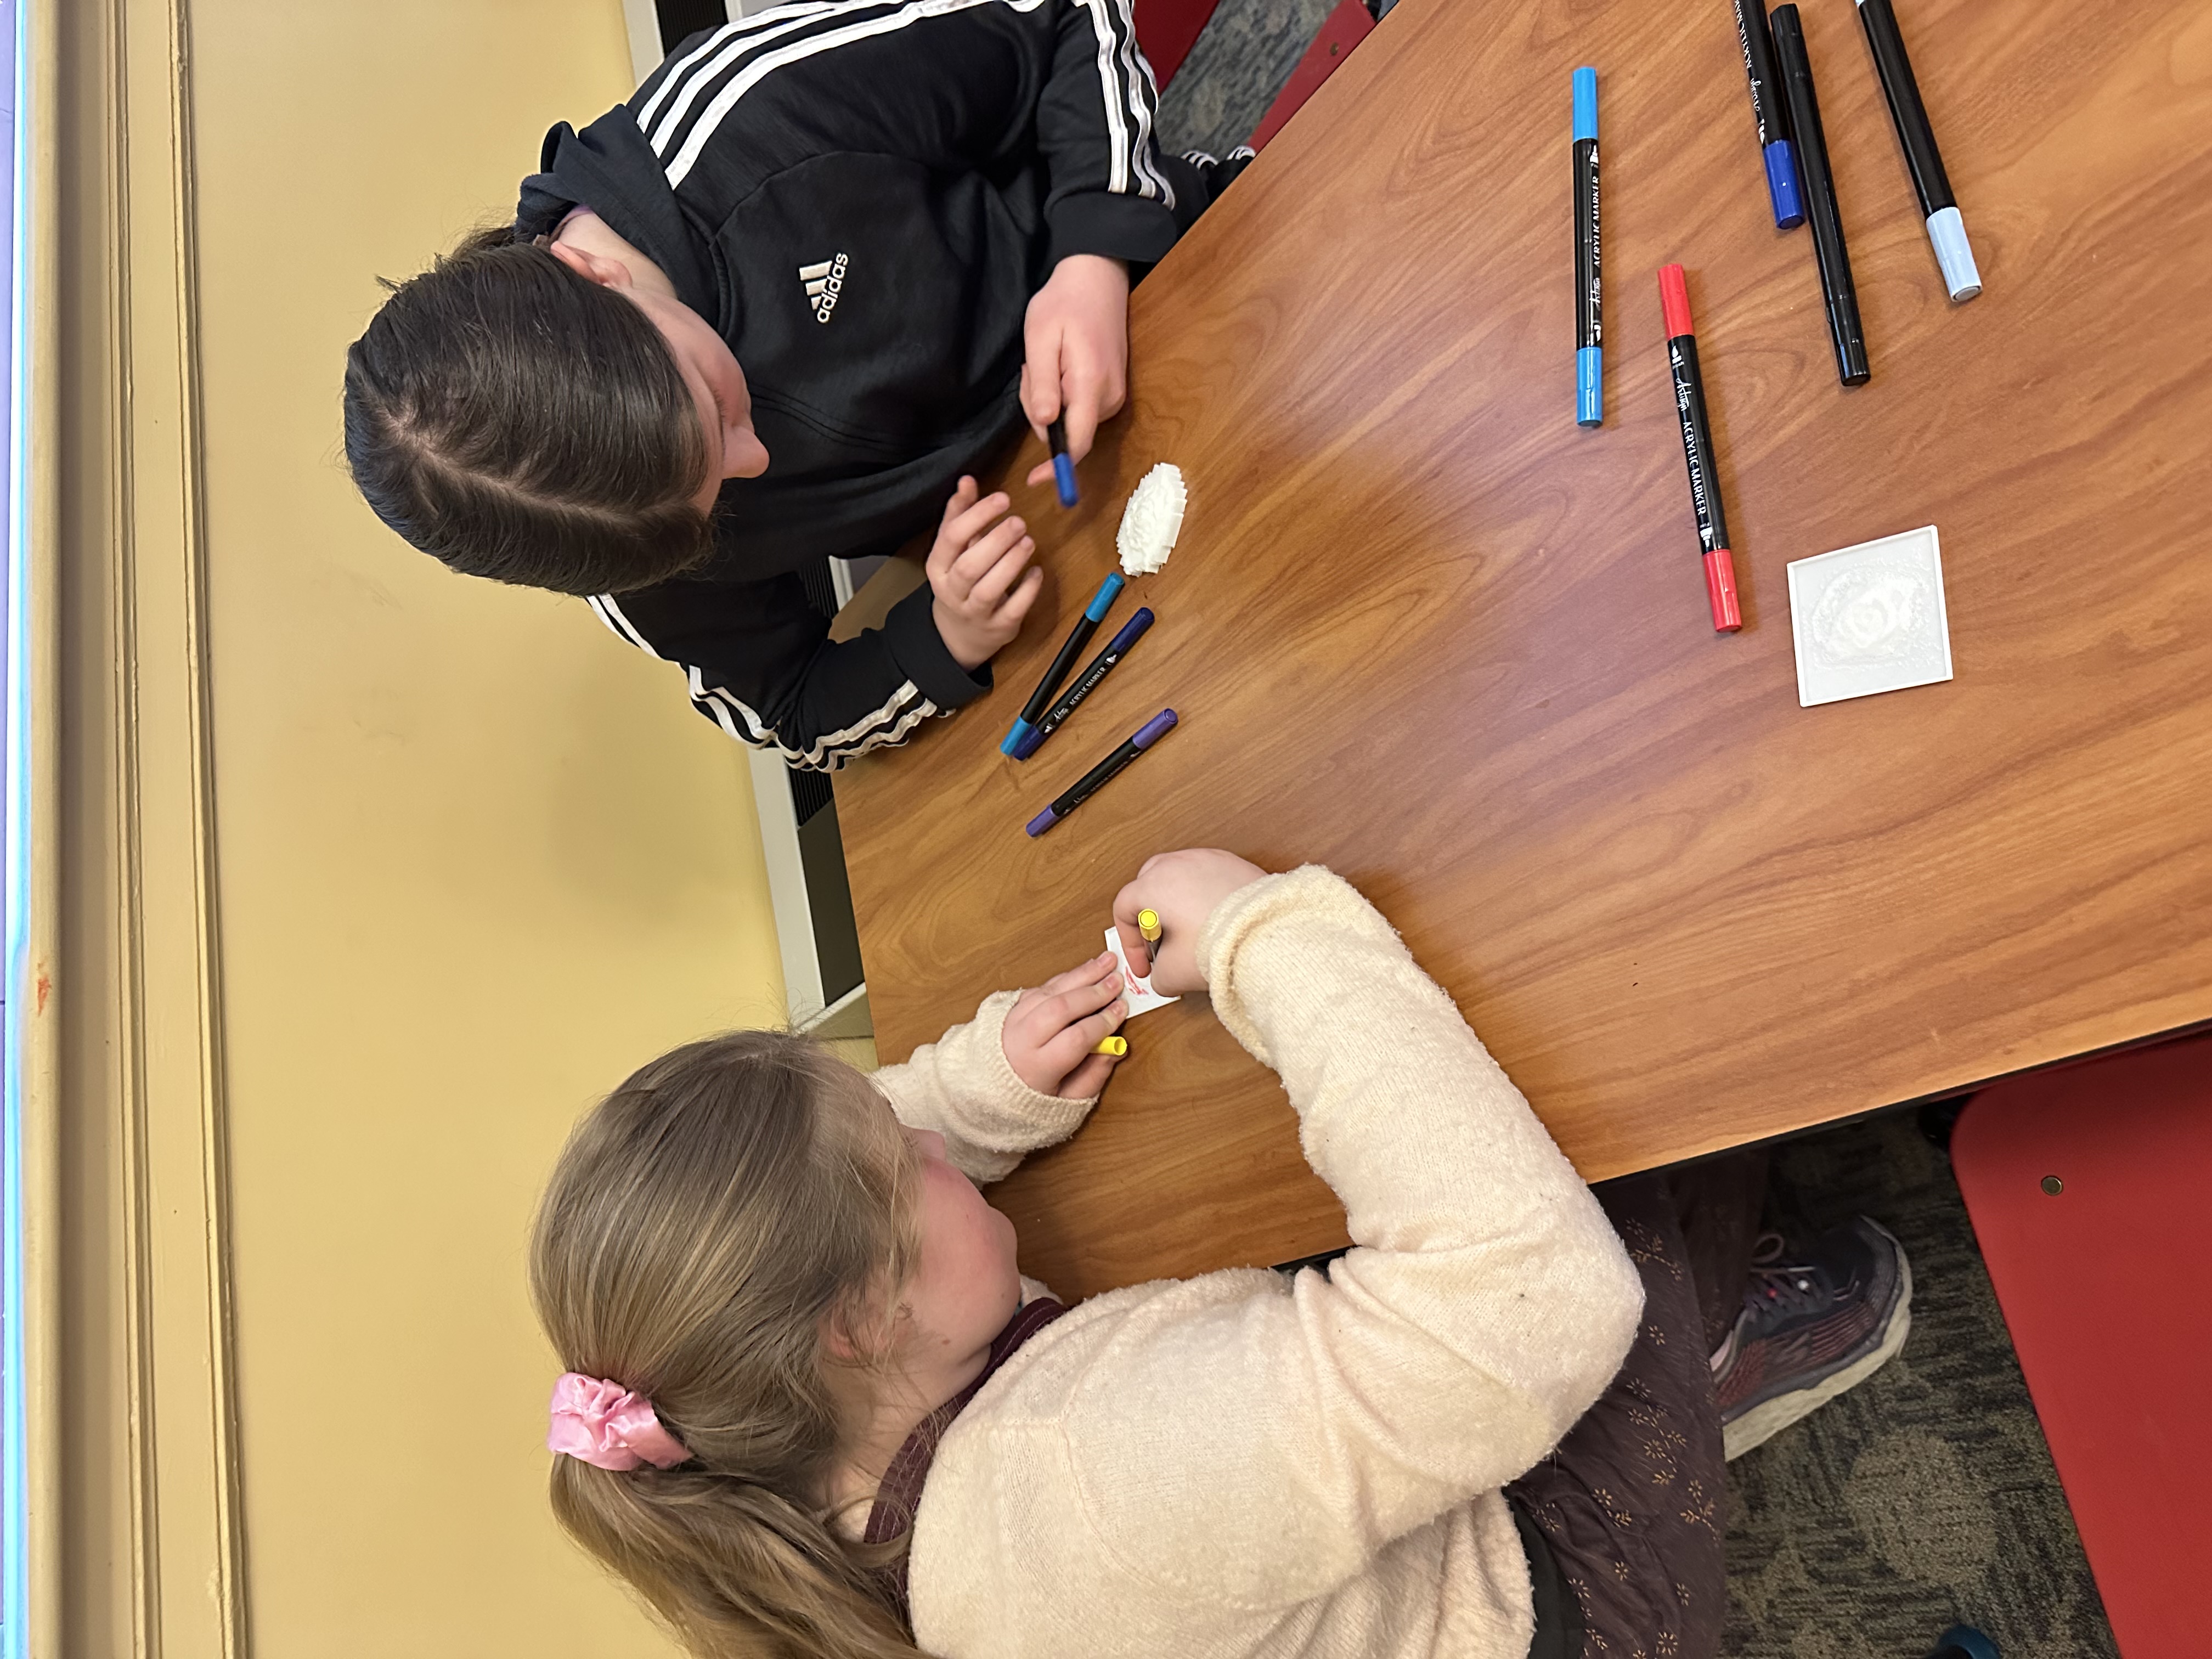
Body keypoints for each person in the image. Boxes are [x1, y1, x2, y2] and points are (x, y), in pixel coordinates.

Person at [531, 850, 1912, 1658]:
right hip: (1567, 1593)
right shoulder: (1084, 1483)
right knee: (1625, 1115)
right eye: (912, 1165)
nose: (928, 1139)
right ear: (857, 1320)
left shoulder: (802, 1431)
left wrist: (977, 1087)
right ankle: (1731, 1343)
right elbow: (1526, 1297)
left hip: (1269, 1534)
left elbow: (871, 1141)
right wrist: (1265, 934)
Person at [343, 1, 1250, 771]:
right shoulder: (621, 541)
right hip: (1067, 522)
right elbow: (798, 714)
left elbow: (1059, 18)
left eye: (716, 405)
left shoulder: (746, 119)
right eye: (718, 495)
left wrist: (1090, 256)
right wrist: (944, 637)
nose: (759, 455)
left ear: (596, 274)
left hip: (1174, 278)